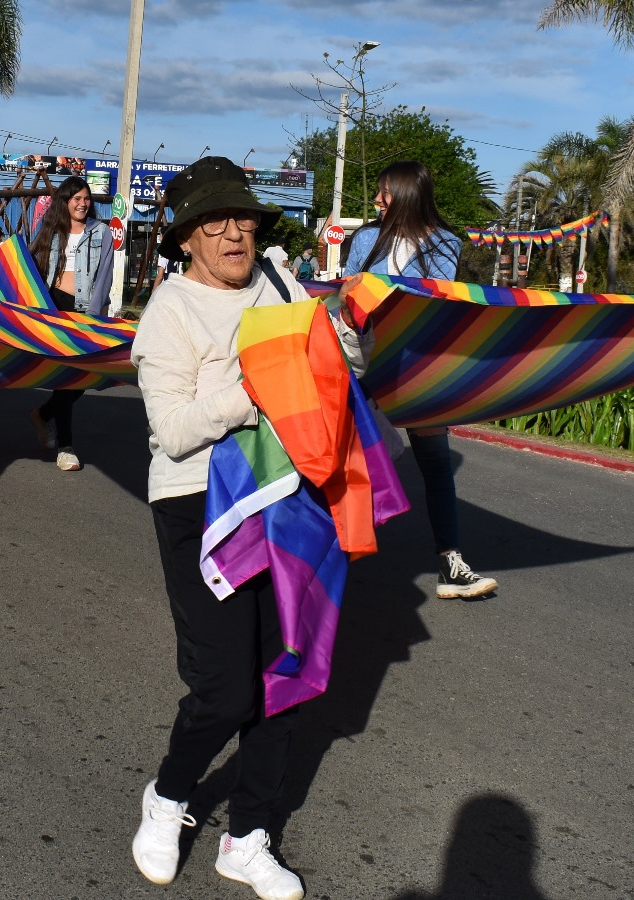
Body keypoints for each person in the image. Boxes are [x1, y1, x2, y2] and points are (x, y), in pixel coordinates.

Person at [128, 157, 366, 900]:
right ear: (187, 238)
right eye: (215, 222)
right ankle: (168, 799)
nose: (236, 233)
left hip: (288, 496)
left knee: (284, 679)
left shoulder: (278, 280)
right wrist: (253, 383)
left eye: (244, 219)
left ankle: (249, 835)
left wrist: (343, 338)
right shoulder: (169, 310)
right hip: (199, 503)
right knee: (226, 688)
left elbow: (329, 365)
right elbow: (170, 430)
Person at [344, 160, 497, 600]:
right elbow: (347, 296)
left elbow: (436, 303)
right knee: (347, 459)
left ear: (407, 195)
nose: (376, 200)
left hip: (420, 368)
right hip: (366, 366)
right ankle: (329, 554)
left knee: (436, 464)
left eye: (384, 193)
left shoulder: (446, 243)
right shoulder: (366, 238)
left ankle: (451, 564)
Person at [25, 176, 115, 473]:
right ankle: (66, 447)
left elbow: (104, 276)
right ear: (64, 201)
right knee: (67, 380)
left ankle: (42, 413)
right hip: (54, 305)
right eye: (76, 198)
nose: (82, 203)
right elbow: (33, 265)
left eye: (86, 198)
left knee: (82, 378)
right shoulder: (51, 230)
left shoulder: (102, 232)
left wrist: (97, 314)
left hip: (84, 309)